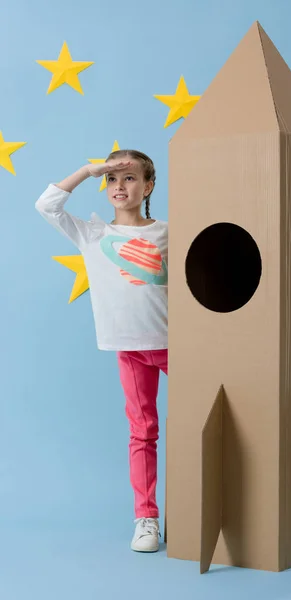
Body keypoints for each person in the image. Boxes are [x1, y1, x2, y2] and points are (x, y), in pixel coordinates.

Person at [35, 149, 168, 553]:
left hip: (175, 345)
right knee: (142, 432)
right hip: (128, 349)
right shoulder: (93, 234)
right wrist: (88, 170)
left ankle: (198, 509)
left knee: (201, 424)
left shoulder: (168, 231)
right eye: (111, 179)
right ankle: (147, 519)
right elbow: (47, 204)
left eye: (129, 178)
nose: (119, 186)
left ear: (147, 187)